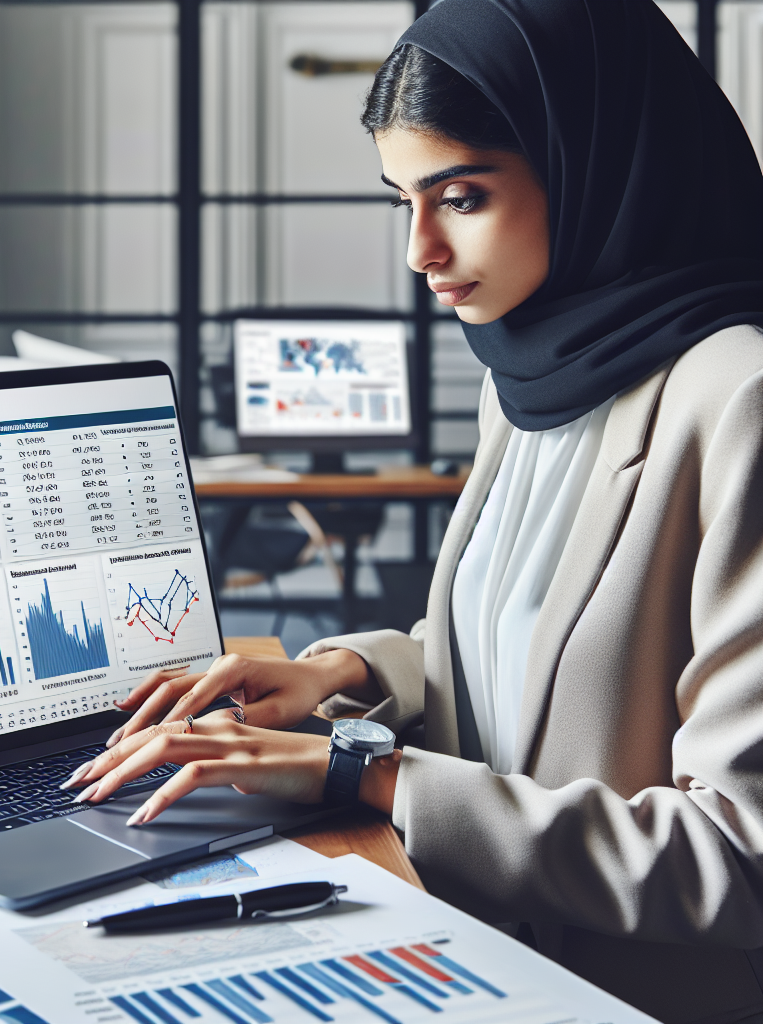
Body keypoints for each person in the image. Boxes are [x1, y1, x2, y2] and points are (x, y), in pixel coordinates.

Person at [61, 1, 763, 1018]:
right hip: (465, 941)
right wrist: (340, 673)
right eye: (404, 201)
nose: (420, 251)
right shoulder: (529, 375)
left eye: (461, 197)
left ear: (594, 163)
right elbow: (522, 648)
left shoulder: (736, 397)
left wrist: (368, 773)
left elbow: (738, 856)